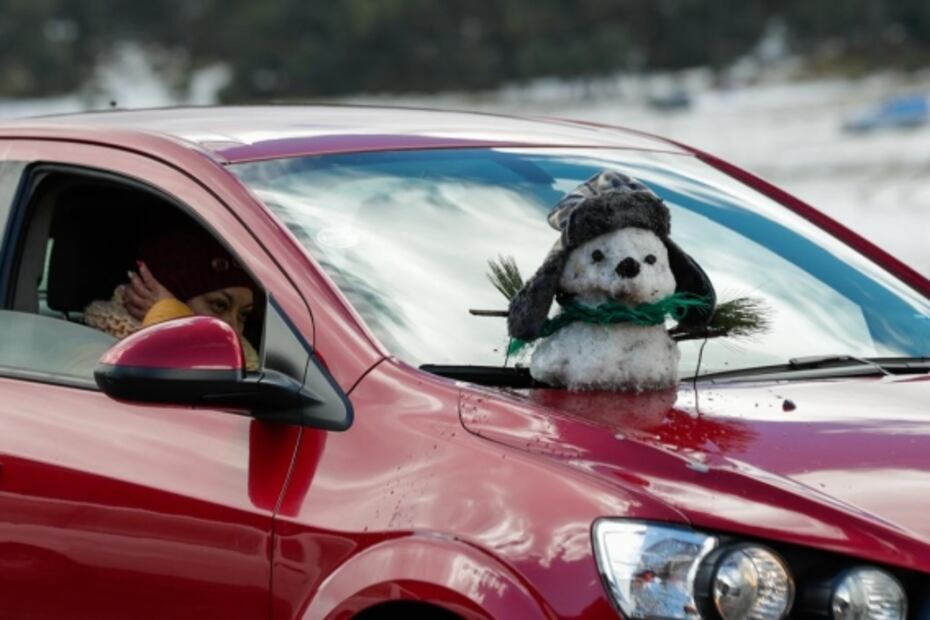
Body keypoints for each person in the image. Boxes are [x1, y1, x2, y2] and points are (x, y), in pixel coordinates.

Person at [85, 225, 260, 370]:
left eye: (243, 315)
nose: (234, 330)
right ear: (165, 292)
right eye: (219, 306)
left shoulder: (247, 361)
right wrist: (171, 319)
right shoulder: (98, 356)